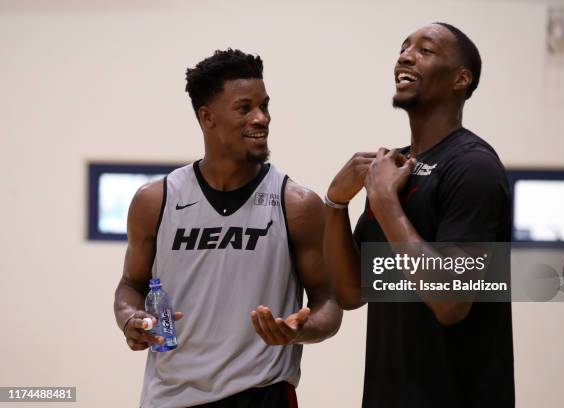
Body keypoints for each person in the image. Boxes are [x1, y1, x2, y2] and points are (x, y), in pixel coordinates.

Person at [114, 49, 342, 408]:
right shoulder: (154, 201)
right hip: (168, 397)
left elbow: (328, 301)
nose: (261, 118)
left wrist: (302, 329)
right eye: (245, 108)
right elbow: (130, 285)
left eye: (265, 106)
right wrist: (131, 319)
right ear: (208, 117)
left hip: (262, 395)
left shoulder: (296, 204)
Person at [323, 23, 515, 407]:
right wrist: (335, 204)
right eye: (404, 47)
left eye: (425, 50)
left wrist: (385, 203)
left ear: (461, 79)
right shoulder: (392, 168)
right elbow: (350, 293)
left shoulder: (473, 167)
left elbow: (450, 303)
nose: (405, 56)